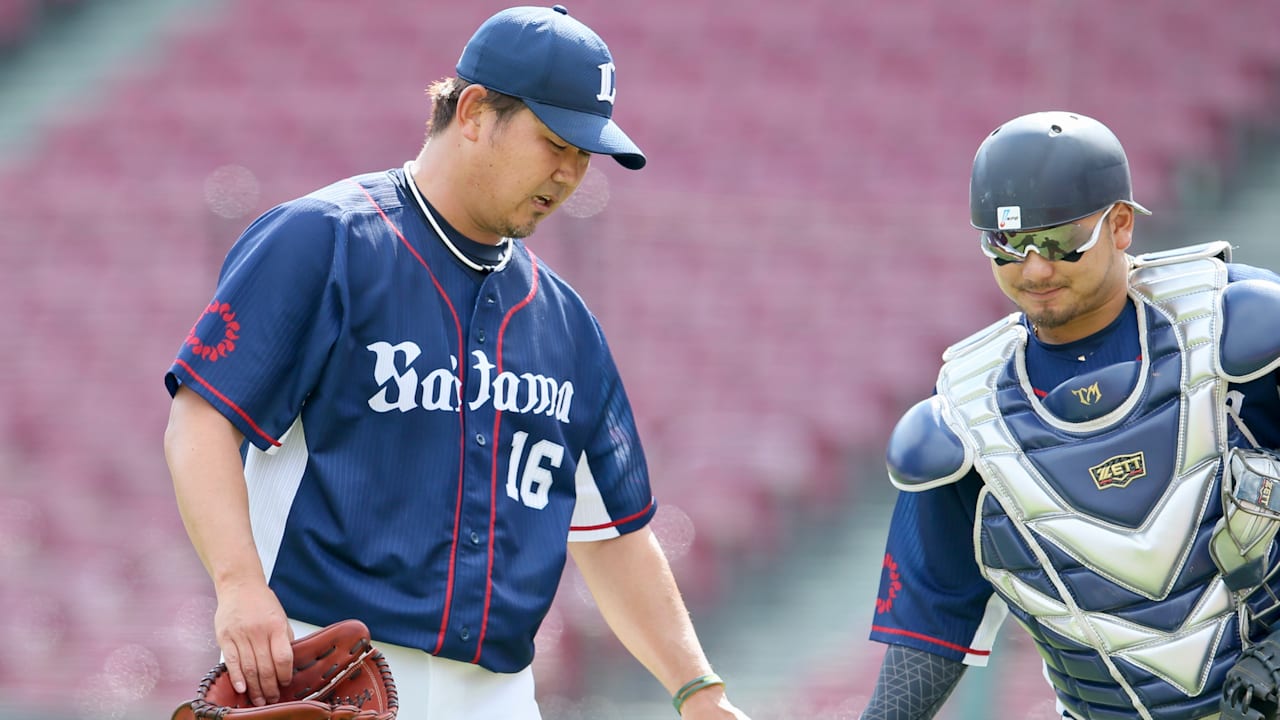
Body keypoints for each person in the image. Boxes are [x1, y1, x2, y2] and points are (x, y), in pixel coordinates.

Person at [162, 6, 750, 719]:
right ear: (474, 111)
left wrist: (699, 691)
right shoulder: (324, 243)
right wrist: (238, 586)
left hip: (499, 697)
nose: (570, 173)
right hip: (322, 673)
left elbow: (612, 536)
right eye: (554, 141)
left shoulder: (566, 325)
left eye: (585, 154)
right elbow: (199, 418)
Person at [861, 110, 1280, 720]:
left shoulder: (1237, 330)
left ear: (1119, 224)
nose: (1034, 268)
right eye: (1007, 245)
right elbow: (930, 630)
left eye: (1059, 241)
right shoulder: (967, 416)